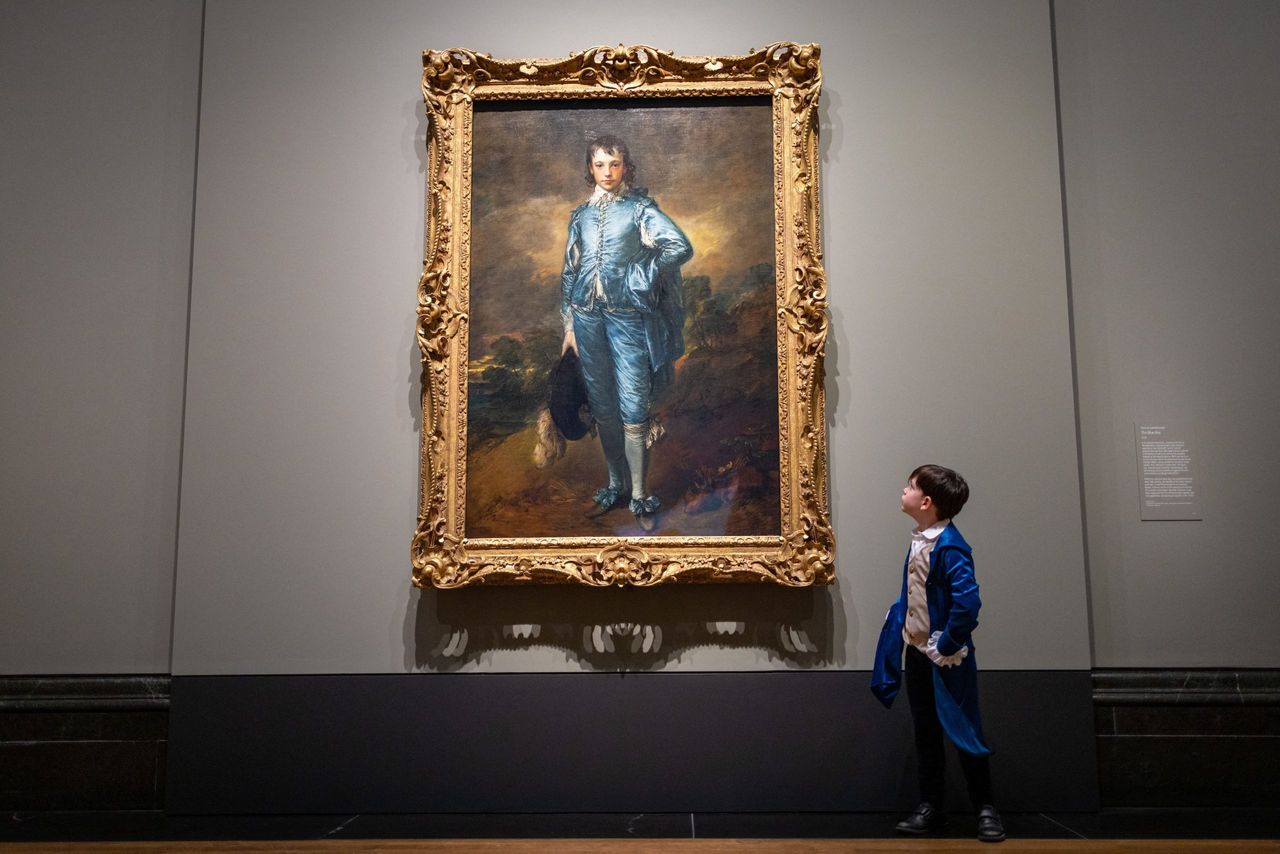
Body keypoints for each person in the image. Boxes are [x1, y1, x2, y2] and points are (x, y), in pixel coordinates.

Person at [560, 134, 692, 532]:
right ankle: (615, 484)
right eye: (599, 165)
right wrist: (568, 326)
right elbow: (570, 272)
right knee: (603, 406)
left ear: (625, 167)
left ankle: (639, 494)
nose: (606, 172)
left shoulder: (640, 209)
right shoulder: (580, 215)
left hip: (628, 319)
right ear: (590, 168)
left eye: (613, 164)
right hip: (586, 319)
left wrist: (641, 275)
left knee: (633, 408)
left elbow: (678, 246)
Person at [871, 464, 1006, 844]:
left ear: (926, 501)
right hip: (917, 653)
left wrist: (946, 645)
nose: (904, 490)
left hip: (947, 658)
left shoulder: (950, 546)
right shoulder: (920, 540)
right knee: (926, 731)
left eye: (910, 486)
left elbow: (968, 601)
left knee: (964, 729)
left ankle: (986, 808)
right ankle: (931, 807)